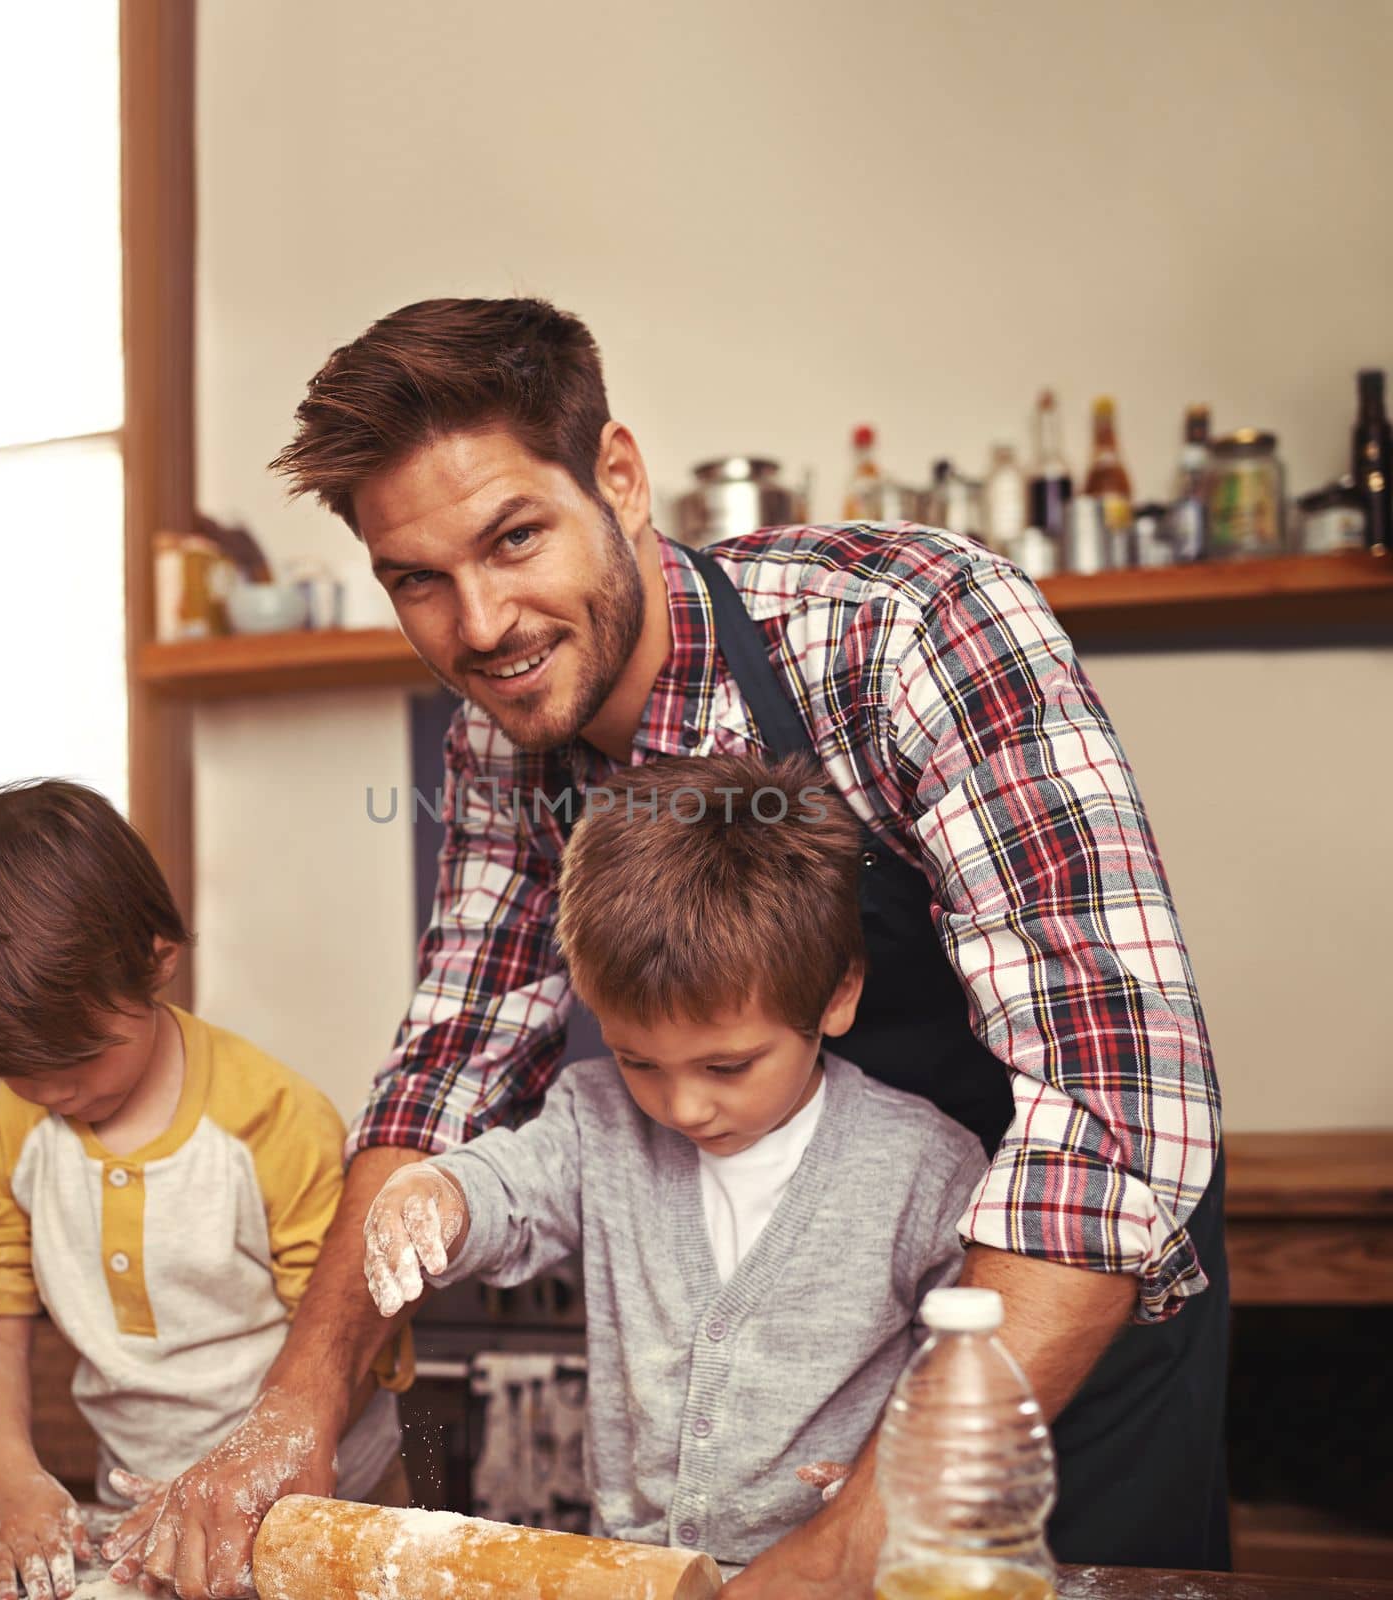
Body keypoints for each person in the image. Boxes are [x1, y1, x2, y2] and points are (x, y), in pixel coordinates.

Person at [136, 297, 1227, 1600]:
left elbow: (1111, 1117)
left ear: (621, 477)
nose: (479, 625)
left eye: (515, 538)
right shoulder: (511, 740)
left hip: (1041, 1331)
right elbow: (450, 1073)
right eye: (417, 580)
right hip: (778, 1401)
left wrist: (859, 1539)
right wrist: (298, 1399)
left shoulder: (907, 627)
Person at [362, 751, 990, 1568]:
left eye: (727, 1067)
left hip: (849, 1574)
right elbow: (513, 1185)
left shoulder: (925, 1167)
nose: (684, 1107)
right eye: (639, 1061)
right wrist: (439, 1193)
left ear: (836, 995)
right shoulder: (598, 1121)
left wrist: (887, 1484)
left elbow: (973, 1375)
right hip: (636, 1574)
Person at [0, 780, 413, 1600]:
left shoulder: (273, 1121)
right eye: (20, 1074)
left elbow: (350, 1336)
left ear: (157, 961)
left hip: (328, 1504)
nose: (54, 1096)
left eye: (77, 1062)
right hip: (140, 1512)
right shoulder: (14, 1129)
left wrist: (253, 1479)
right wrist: (6, 1480)